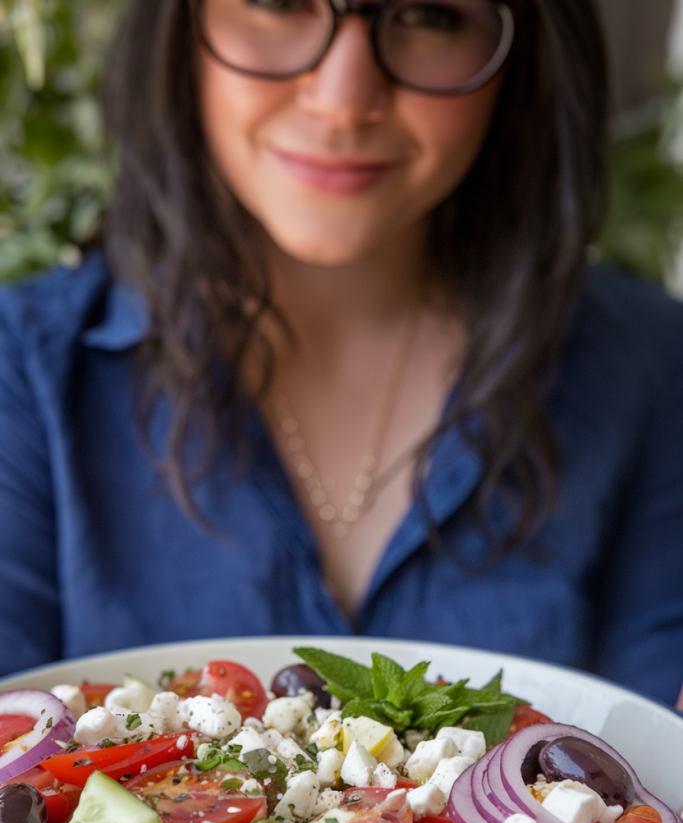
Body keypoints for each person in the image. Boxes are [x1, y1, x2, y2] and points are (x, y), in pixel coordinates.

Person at [0, 0, 682, 706]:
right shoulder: (22, 371)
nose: (342, 101)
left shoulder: (655, 370)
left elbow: (659, 770)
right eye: (279, 2)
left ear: (523, 55)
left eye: (429, 15)